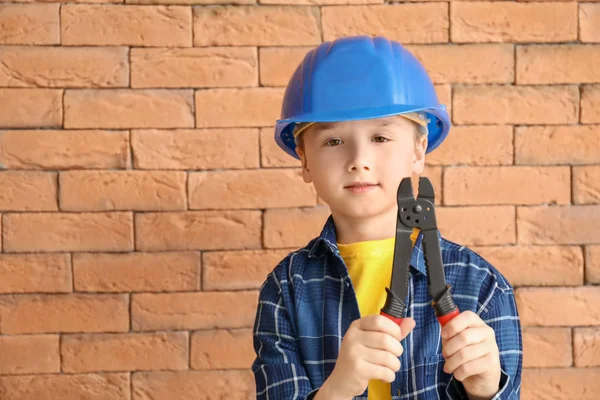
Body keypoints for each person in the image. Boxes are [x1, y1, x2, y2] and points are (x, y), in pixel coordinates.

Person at [251, 36, 522, 400]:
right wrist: (339, 387)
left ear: (419, 148)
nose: (358, 159)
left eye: (380, 137)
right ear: (304, 159)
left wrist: (488, 390)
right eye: (333, 141)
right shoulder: (285, 290)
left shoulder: (483, 287)